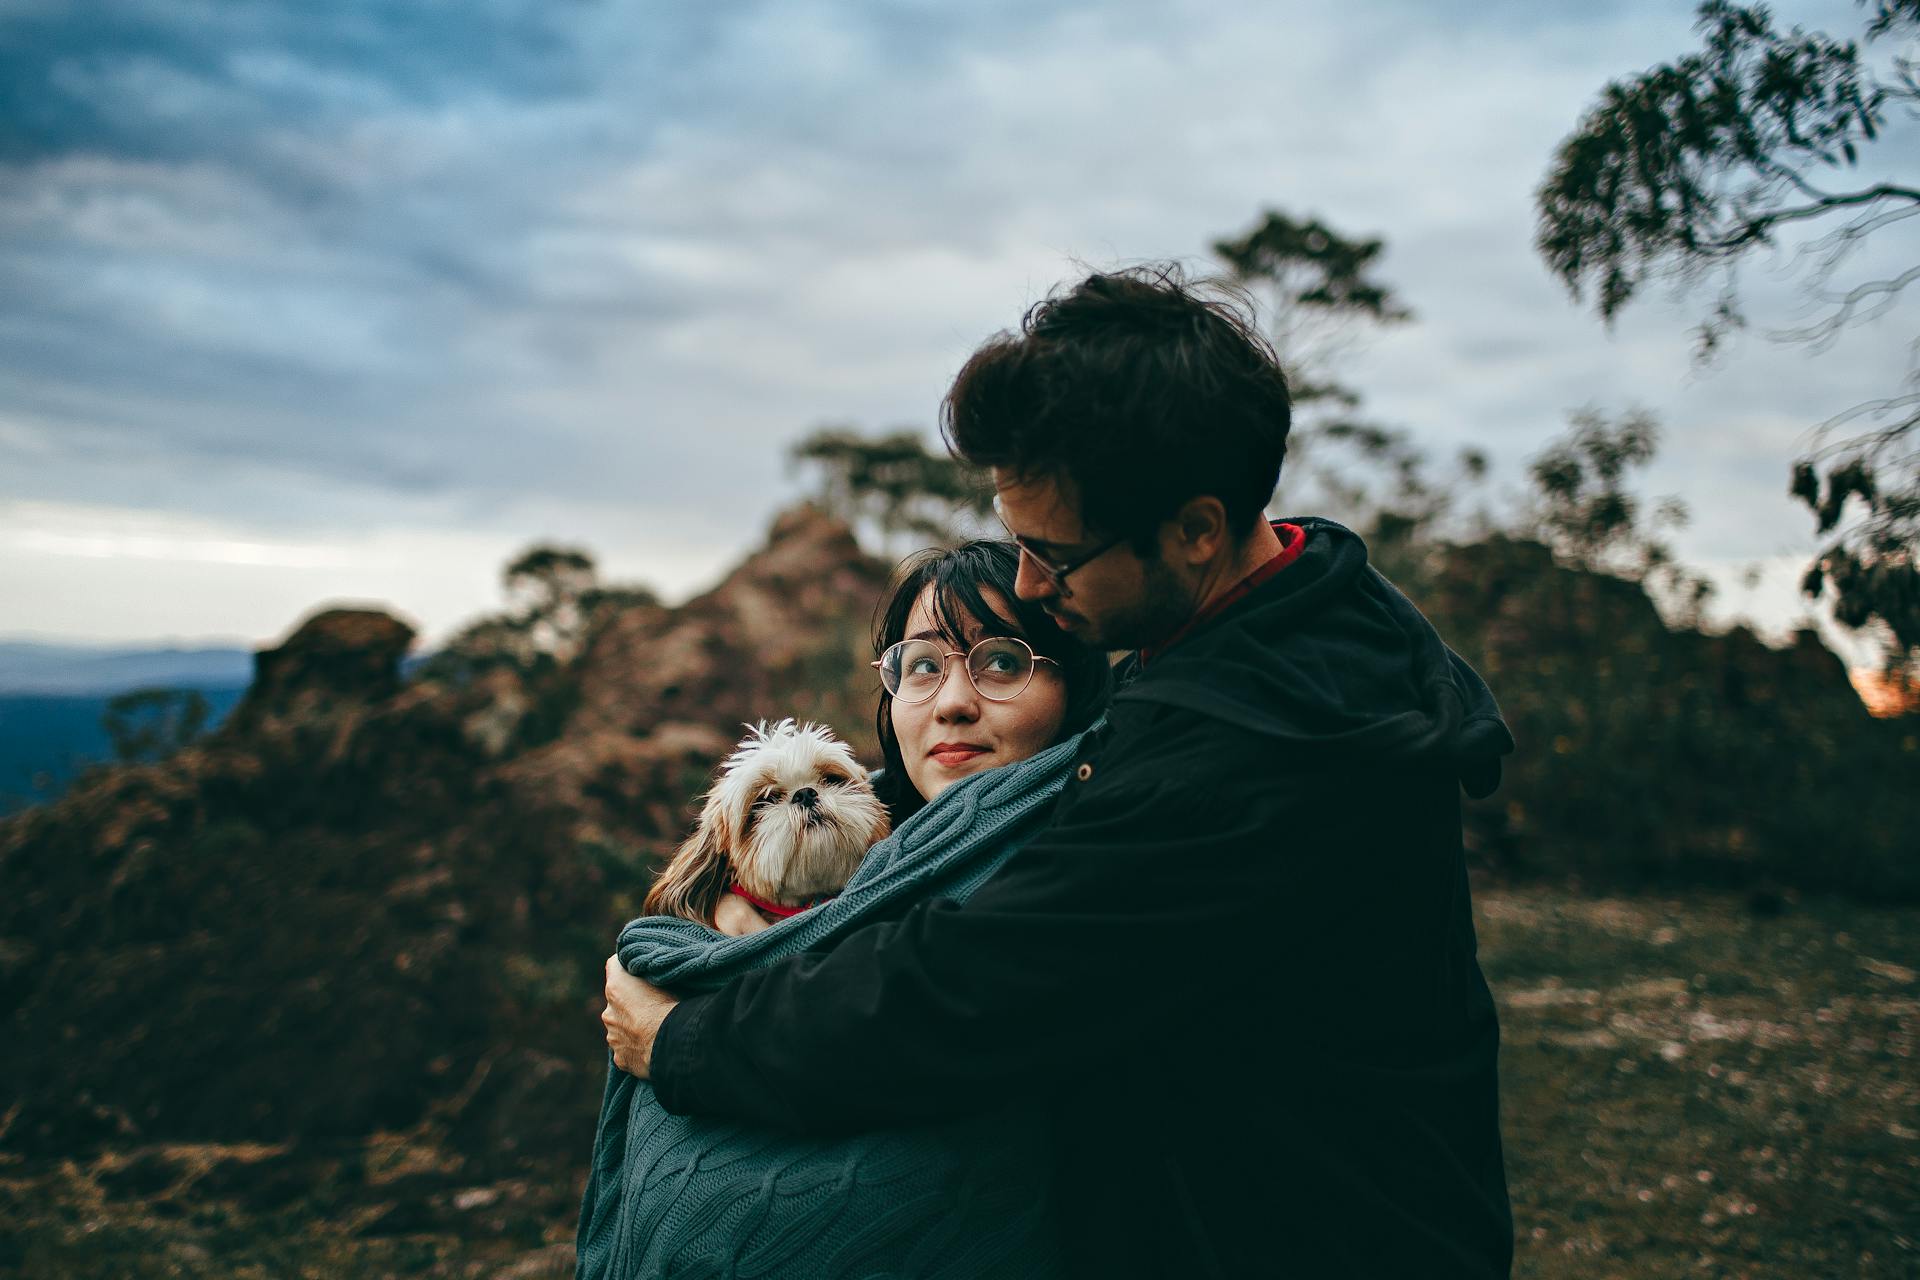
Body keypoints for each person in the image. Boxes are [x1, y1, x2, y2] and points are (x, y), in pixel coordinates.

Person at [602, 265, 1517, 1278]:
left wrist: (687, 1041)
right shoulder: (1308, 617)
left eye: (1056, 555)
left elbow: (963, 988)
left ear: (1197, 528)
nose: (1031, 583)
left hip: (1301, 1232)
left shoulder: (1248, 752)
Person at [578, 540, 1112, 1279]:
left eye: (1003, 661)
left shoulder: (1094, 846)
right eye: (922, 666)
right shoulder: (888, 834)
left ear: (1075, 683)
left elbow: (915, 1016)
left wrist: (679, 1034)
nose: (954, 701)